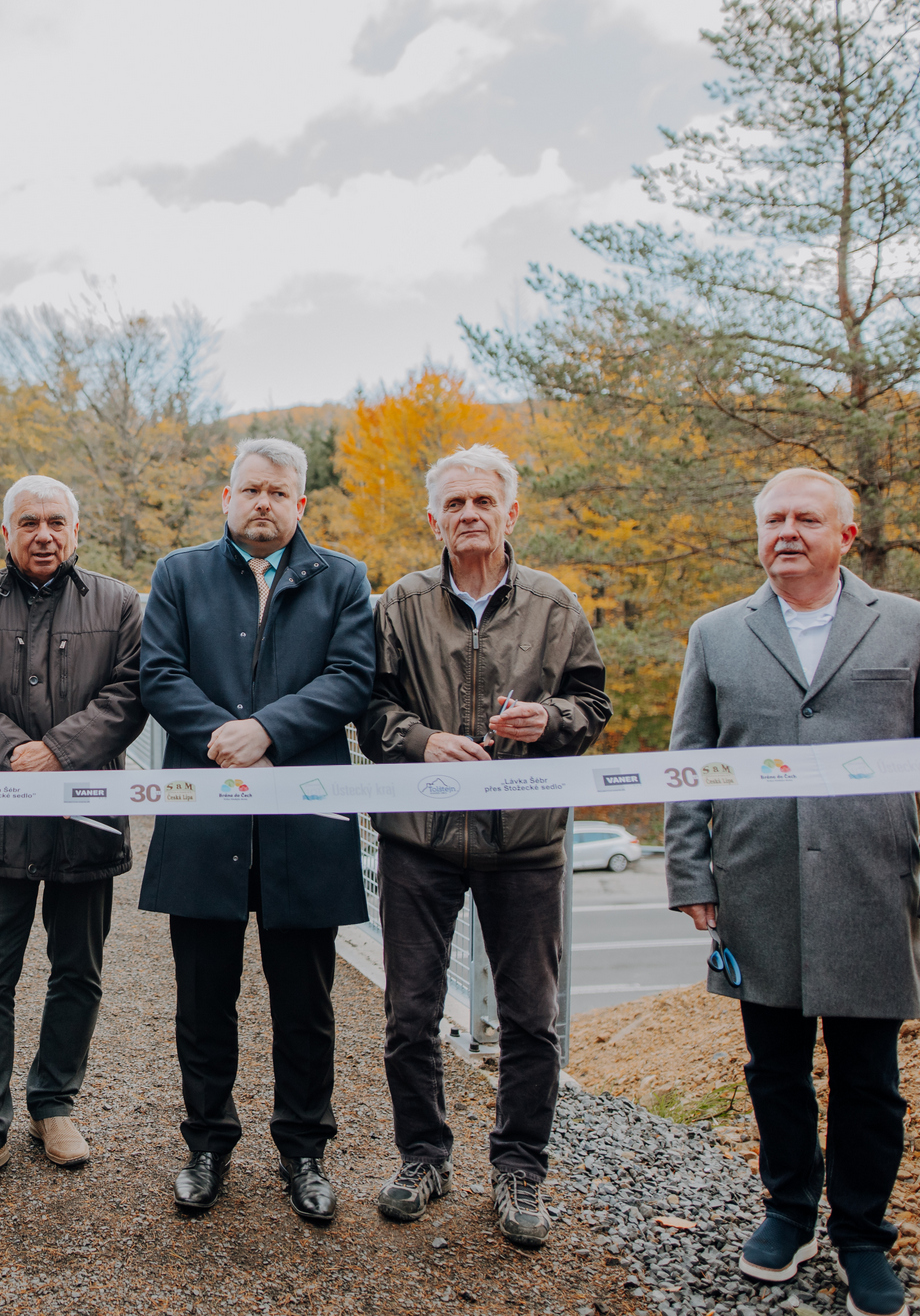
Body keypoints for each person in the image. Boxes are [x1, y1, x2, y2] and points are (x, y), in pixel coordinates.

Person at [666, 467, 920, 1316]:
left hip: (872, 890)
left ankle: (862, 1237)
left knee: (869, 1079)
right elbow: (689, 761)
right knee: (774, 1070)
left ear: (846, 534)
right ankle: (789, 1211)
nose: (787, 533)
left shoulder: (915, 627)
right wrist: (691, 870)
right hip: (755, 889)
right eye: (773, 521)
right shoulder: (716, 634)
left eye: (807, 519)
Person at [358, 444, 611, 1249]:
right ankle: (424, 1157)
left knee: (532, 1021)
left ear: (511, 514)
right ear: (433, 518)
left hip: (526, 845)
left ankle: (520, 1170)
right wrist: (422, 740)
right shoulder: (398, 603)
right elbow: (367, 708)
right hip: (419, 842)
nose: (471, 514)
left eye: (484, 502)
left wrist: (552, 722)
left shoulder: (554, 603)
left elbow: (592, 702)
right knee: (409, 1016)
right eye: (455, 503)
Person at [138, 438, 375, 1223]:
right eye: (250, 490)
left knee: (304, 1003)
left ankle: (303, 1150)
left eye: (278, 493)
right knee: (203, 998)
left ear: (300, 503)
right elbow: (160, 673)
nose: (262, 503)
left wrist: (266, 730)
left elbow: (350, 678)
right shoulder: (179, 574)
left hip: (302, 822)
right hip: (204, 817)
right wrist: (226, 735)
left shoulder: (341, 578)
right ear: (228, 497)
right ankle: (207, 1144)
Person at [0, 475, 147, 1199]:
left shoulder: (118, 603)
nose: (43, 534)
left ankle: (54, 1104)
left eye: (56, 521)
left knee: (76, 971)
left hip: (85, 821)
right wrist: (17, 753)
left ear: (76, 532)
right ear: (7, 533)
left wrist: (60, 750)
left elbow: (129, 693)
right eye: (29, 523)